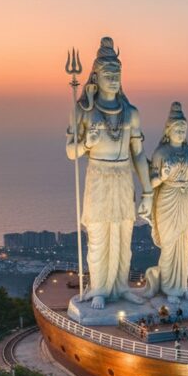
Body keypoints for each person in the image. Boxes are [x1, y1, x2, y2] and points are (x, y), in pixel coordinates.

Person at [65, 37, 153, 309]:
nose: (114, 79)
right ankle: (100, 287)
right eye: (108, 74)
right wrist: (87, 142)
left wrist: (148, 190)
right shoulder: (83, 110)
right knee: (100, 233)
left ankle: (120, 285)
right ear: (96, 76)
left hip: (123, 175)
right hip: (99, 176)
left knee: (123, 232)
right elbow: (71, 151)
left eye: (117, 75)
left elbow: (137, 153)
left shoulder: (131, 113)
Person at [143, 102, 188, 302]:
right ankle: (168, 287)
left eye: (183, 129)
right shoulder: (161, 153)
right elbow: (151, 182)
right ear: (169, 130)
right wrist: (162, 176)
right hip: (167, 200)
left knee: (185, 245)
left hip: (187, 201)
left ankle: (181, 287)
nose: (181, 132)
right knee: (170, 245)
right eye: (177, 129)